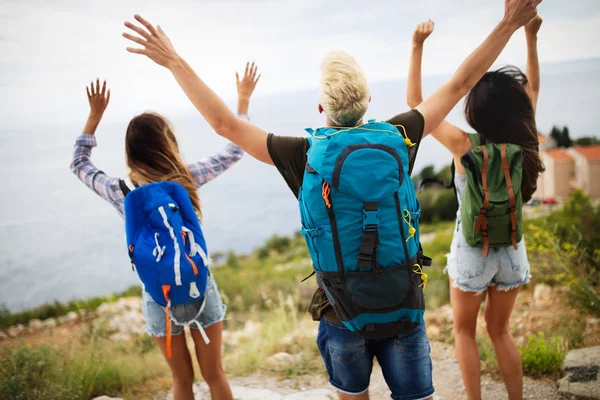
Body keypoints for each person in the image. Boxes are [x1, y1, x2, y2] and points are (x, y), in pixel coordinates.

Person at [121, 1, 540, 398]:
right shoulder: (400, 137)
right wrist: (507, 24)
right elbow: (461, 83)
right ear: (369, 101)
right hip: (402, 309)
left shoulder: (303, 155)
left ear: (322, 105)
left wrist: (174, 61)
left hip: (342, 315)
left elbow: (223, 124)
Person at [69, 64, 261, 400]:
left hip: (159, 295)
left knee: (181, 381)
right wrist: (242, 100)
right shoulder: (185, 178)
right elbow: (235, 149)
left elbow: (79, 164)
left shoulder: (121, 190)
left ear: (131, 150)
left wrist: (94, 117)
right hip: (199, 285)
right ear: (166, 143)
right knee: (215, 375)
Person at [407, 14, 545, 400]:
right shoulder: (526, 138)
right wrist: (530, 39)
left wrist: (417, 46)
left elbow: (416, 104)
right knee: (500, 331)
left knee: (464, 332)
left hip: (472, 251)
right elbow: (532, 89)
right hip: (512, 249)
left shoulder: (462, 146)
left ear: (475, 112)